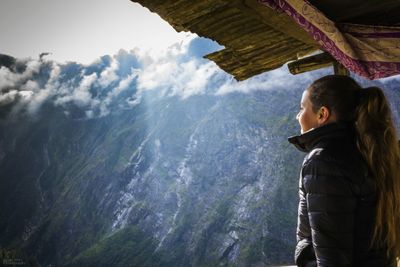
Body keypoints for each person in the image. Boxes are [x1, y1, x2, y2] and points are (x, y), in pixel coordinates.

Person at [288, 75, 400, 267]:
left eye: (302, 108)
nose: (298, 116)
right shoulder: (374, 152)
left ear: (322, 114)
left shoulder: (323, 162)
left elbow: (331, 259)